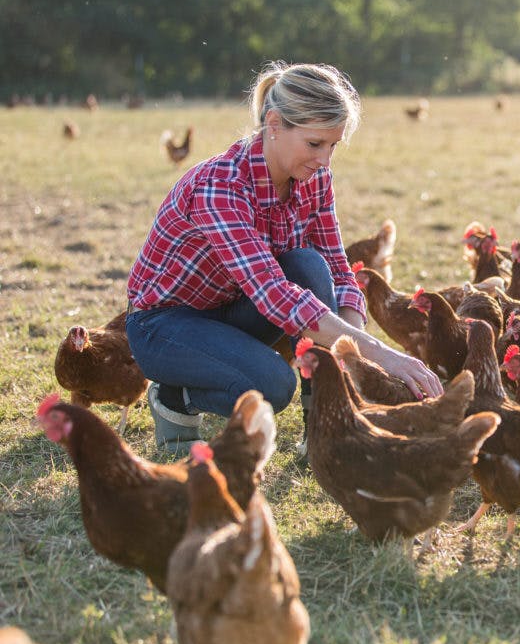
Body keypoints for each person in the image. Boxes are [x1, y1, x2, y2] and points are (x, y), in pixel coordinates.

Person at [126, 61, 442, 455]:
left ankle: (325, 427)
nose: (325, 160)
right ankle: (175, 397)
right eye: (314, 144)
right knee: (272, 386)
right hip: (165, 325)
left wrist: (353, 355)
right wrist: (380, 353)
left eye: (333, 146)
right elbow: (274, 293)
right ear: (274, 124)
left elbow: (338, 273)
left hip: (234, 307)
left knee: (309, 264)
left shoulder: (314, 178)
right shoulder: (220, 187)